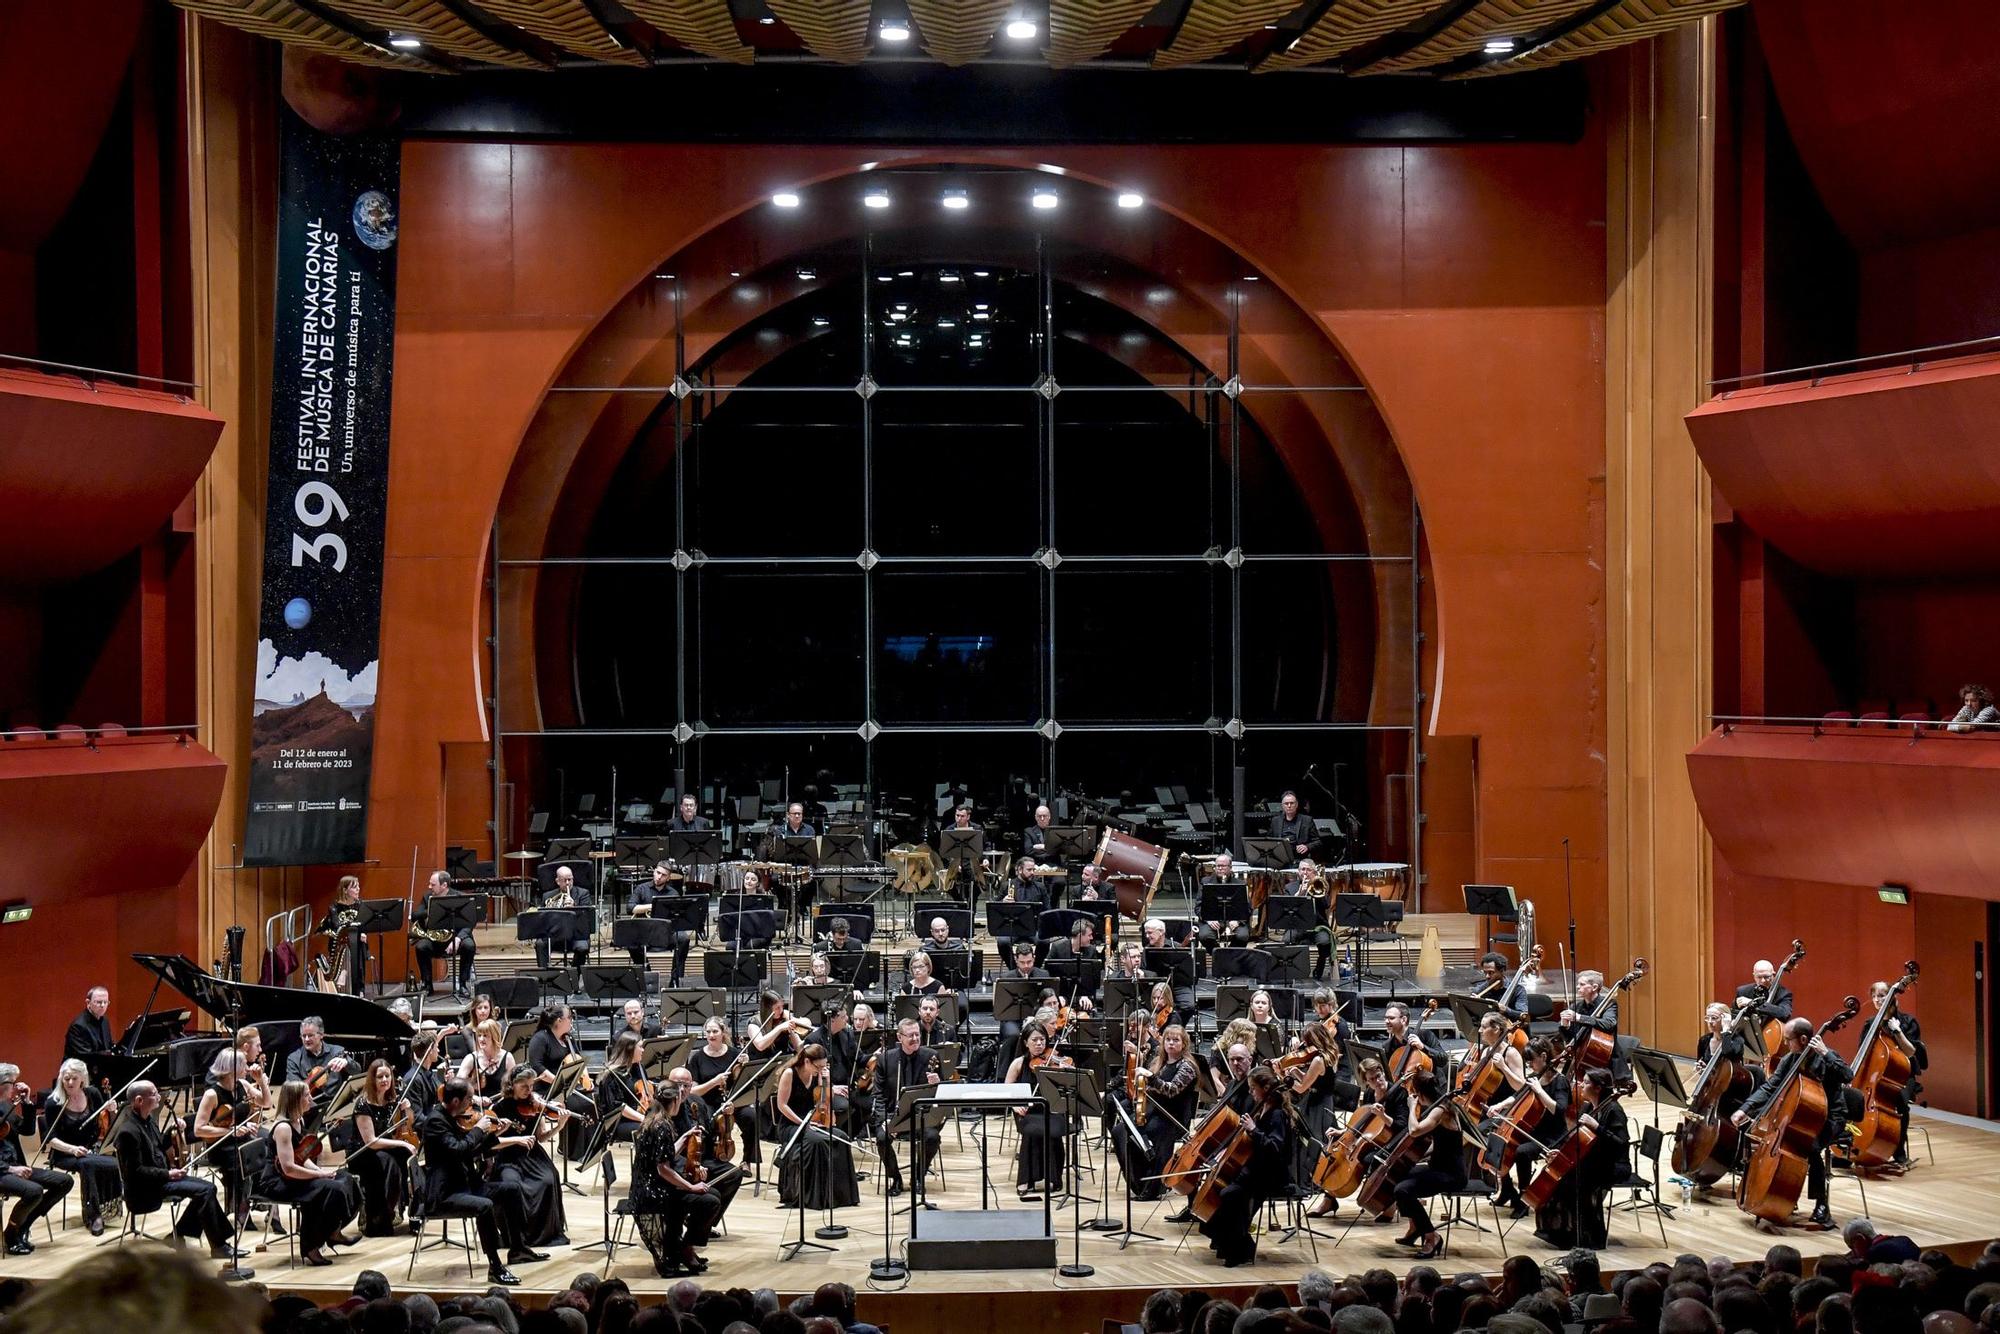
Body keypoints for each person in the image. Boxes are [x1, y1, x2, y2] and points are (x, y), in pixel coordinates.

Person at [1733, 1016, 1854, 1230]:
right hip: (1798, 1116)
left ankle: (1821, 1205)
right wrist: (1745, 1109)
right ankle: (1784, 1194)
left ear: (1804, 1039)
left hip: (1829, 1118)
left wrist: (1825, 1053)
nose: (1786, 1043)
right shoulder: (1790, 1059)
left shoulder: (1826, 1057)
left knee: (1811, 1148)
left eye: (1789, 1039)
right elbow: (1770, 1087)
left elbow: (1847, 1075)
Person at [110, 1080, 243, 1264]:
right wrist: (168, 1175)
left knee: (207, 1189)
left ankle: (179, 1235)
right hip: (145, 1189)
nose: (159, 1097)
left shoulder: (148, 1120)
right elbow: (135, 1173)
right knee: (205, 1191)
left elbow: (158, 1147)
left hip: (161, 1178)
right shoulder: (128, 1132)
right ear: (139, 1100)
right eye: (154, 1094)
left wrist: (173, 1130)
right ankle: (217, 1246)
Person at [419, 1077, 532, 1284]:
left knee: (512, 1189)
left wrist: (494, 1134)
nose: (472, 1103)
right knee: (485, 1206)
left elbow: (470, 1152)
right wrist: (479, 1129)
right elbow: (458, 1149)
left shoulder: (453, 1117)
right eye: (469, 1098)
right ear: (455, 1101)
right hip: (445, 1194)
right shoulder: (436, 1121)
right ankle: (495, 1268)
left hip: (465, 1186)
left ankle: (518, 1249)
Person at [1196, 1065, 1293, 1268]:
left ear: (1266, 1088)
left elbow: (1274, 1148)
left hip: (1272, 1174)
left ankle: (1242, 1248)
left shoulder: (1277, 1114)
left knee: (1230, 1194)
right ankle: (1231, 1244)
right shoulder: (1262, 1107)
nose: (1250, 1092)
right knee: (1227, 1191)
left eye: (1252, 1088)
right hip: (1256, 1169)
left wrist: (1254, 1129)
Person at [257, 1079, 360, 1265]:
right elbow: (288, 1168)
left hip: (293, 1175)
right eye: (306, 1095)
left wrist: (321, 1171)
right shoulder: (283, 1128)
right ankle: (311, 1246)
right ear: (295, 1099)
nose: (310, 1098)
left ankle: (333, 1231)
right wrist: (320, 1175)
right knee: (330, 1189)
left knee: (346, 1179)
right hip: (277, 1182)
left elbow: (301, 1157)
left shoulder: (298, 1120)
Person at [630, 1075, 723, 1278]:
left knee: (713, 1193)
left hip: (650, 1185)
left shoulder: (654, 1118)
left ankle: (683, 1246)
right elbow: (662, 1169)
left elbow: (666, 1153)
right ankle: (684, 1247)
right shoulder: (661, 1126)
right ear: (674, 1101)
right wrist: (690, 1187)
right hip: (654, 1191)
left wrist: (684, 1137)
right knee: (709, 1201)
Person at [1529, 1066, 1629, 1249]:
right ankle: (1562, 1232)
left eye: (1586, 1082)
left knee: (1570, 1182)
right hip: (1592, 1162)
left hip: (1613, 1165)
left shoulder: (1614, 1110)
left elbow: (1620, 1144)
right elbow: (1578, 1141)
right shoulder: (1588, 1106)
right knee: (1562, 1180)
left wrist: (1597, 1127)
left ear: (1598, 1087)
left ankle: (1586, 1236)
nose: (1581, 1085)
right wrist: (1561, 1154)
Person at [1309, 1056, 1405, 1217]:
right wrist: (1343, 1133)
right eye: (1372, 1080)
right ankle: (1329, 1199)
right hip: (1368, 1139)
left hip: (1391, 1141)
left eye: (1378, 1076)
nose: (1377, 1081)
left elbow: (1402, 1126)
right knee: (1338, 1155)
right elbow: (1361, 1122)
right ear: (1366, 1082)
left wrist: (1383, 1116)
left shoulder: (1398, 1093)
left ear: (1382, 1072)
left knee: (1369, 1159)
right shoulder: (1369, 1094)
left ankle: (1388, 1202)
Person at [1486, 1037, 1568, 1218]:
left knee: (1522, 1152)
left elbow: (1559, 1110)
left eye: (1531, 1060)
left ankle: (1523, 1199)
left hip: (1553, 1135)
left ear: (1544, 1056)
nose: (1529, 1064)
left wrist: (1540, 1091)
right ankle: (1507, 1190)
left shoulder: (1559, 1081)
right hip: (1534, 1130)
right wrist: (1500, 1105)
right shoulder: (1534, 1077)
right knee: (1499, 1141)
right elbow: (1518, 1095)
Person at [770, 1044, 859, 1212]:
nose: (821, 1069)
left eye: (824, 1066)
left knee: (842, 1138)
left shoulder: (817, 1075)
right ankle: (815, 1196)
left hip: (813, 1122)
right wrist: (803, 1122)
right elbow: (782, 1106)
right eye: (818, 1067)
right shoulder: (789, 1074)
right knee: (818, 1141)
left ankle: (839, 1195)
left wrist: (825, 1081)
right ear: (806, 1061)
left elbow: (824, 1101)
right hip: (791, 1125)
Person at [490, 1065, 571, 1247]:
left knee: (549, 1179)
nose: (529, 1091)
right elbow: (492, 1142)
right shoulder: (500, 1107)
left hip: (533, 1154)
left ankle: (544, 1232)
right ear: (512, 1085)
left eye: (531, 1086)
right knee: (513, 1185)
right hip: (509, 1157)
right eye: (524, 1086)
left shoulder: (535, 1105)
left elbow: (540, 1137)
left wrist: (559, 1126)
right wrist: (514, 1138)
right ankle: (519, 1235)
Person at [38, 1058, 122, 1235]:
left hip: (91, 1150)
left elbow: (108, 1125)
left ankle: (110, 1201)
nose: (69, 1082)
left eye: (74, 1079)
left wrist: (113, 1110)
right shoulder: (54, 1102)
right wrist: (72, 1149)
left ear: (82, 1079)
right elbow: (49, 1139)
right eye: (66, 1078)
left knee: (113, 1160)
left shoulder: (92, 1094)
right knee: (87, 1164)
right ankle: (94, 1216)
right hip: (64, 1153)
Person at [1389, 1068, 1463, 1260]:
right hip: (1438, 1166)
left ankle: (1431, 1236)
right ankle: (1415, 1227)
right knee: (1399, 1175)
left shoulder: (1442, 1109)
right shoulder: (1439, 1105)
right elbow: (1441, 1144)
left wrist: (1412, 1107)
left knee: (1403, 1190)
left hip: (1451, 1174)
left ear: (1419, 1092)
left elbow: (1415, 1130)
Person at [0, 1064, 71, 1255]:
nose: (15, 1087)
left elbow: (27, 1130)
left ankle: (23, 1225)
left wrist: (27, 1104)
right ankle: (11, 1234)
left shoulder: (6, 1106)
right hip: (2, 1171)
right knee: (34, 1191)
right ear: (2, 1085)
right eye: (12, 1083)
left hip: (15, 1166)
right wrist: (10, 1169)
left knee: (64, 1181)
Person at [871, 1019, 942, 1198]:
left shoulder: (931, 1056)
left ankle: (918, 1176)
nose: (915, 1038)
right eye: (910, 1036)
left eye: (917, 1034)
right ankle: (895, 1178)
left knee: (932, 1137)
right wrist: (884, 1120)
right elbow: (878, 1095)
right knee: (881, 1138)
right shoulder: (886, 1059)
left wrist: (938, 1083)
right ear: (899, 1037)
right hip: (893, 1116)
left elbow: (941, 1093)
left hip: (921, 1116)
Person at [349, 1058, 420, 1236]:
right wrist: (402, 1143)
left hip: (384, 1148)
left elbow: (408, 1121)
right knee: (390, 1161)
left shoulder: (392, 1100)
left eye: (387, 1076)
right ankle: (381, 1215)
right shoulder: (363, 1104)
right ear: (372, 1079)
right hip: (362, 1153)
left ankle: (413, 1211)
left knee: (407, 1159)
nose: (384, 1080)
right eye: (380, 1076)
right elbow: (371, 1142)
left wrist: (407, 1108)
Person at [191, 1049, 259, 1233]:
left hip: (240, 1140)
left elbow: (266, 1103)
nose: (247, 1067)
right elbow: (198, 1129)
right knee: (244, 1158)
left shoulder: (242, 1085)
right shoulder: (212, 1095)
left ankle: (253, 1202)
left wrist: (261, 1081)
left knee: (263, 1150)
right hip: (220, 1146)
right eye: (243, 1064)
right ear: (232, 1068)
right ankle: (240, 1207)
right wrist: (229, 1131)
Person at [1861, 978, 1927, 1168]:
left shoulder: (1908, 1022)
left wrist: (1897, 1031)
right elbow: (1863, 1055)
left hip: (1902, 1077)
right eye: (1874, 996)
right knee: (1854, 1098)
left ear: (1892, 997)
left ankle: (1899, 1152)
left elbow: (1911, 1052)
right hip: (1875, 1077)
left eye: (1881, 996)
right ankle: (1857, 1147)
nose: (1877, 1000)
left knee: (1898, 1101)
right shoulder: (1870, 1024)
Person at [688, 1017, 758, 1169]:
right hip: (709, 1103)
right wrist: (714, 1081)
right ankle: (711, 1160)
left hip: (733, 1101)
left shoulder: (735, 1055)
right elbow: (693, 1091)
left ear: (723, 1033)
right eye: (708, 1032)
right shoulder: (697, 1058)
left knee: (751, 1117)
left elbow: (743, 1084)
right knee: (707, 1121)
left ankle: (747, 1160)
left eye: (715, 1031)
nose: (711, 1035)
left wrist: (745, 1064)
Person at [630, 861, 697, 987]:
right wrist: (653, 906)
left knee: (683, 938)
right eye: (658, 873)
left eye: (663, 875)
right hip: (646, 932)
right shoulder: (641, 889)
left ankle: (675, 978)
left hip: (666, 933)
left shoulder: (673, 893)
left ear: (668, 878)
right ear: (654, 871)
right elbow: (630, 907)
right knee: (631, 941)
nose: (659, 877)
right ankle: (646, 975)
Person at [412, 870, 478, 996]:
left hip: (456, 939)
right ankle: (427, 985)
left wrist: (458, 939)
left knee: (469, 946)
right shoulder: (428, 897)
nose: (429, 887)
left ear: (444, 885)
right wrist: (432, 909)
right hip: (435, 941)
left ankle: (463, 984)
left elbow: (470, 923)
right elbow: (415, 915)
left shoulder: (460, 897)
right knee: (421, 947)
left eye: (433, 884)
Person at [1558, 970, 1622, 1072]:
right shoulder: (1576, 1006)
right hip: (1580, 1056)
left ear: (1595, 987)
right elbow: (1571, 1037)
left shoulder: (1609, 1004)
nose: (1578, 987)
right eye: (1578, 984)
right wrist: (1565, 1025)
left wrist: (1580, 1018)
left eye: (1582, 984)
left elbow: (1608, 1024)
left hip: (1603, 1058)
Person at [317, 875, 370, 994]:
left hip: (358, 944)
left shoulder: (361, 905)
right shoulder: (334, 907)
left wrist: (363, 933)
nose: (358, 889)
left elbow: (364, 924)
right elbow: (337, 926)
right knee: (347, 944)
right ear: (345, 890)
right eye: (354, 887)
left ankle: (358, 988)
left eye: (358, 886)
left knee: (358, 944)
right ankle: (344, 973)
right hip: (340, 944)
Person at [535, 865, 593, 970]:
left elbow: (587, 917)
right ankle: (545, 975)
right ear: (558, 881)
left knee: (582, 948)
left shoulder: (583, 894)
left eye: (570, 880)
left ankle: (575, 975)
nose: (567, 883)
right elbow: (542, 919)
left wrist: (574, 907)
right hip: (555, 936)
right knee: (540, 944)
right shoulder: (547, 896)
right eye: (564, 880)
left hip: (576, 935)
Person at [1198, 852, 1249, 950]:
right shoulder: (1205, 882)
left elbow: (1247, 907)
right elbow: (1198, 906)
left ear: (1230, 867)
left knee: (1242, 936)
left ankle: (1229, 955)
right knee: (1205, 936)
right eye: (1217, 866)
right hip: (1212, 919)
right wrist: (1208, 920)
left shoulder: (1240, 884)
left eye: (1223, 866)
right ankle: (1218, 955)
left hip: (1234, 919)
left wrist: (1238, 921)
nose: (1220, 868)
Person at [284, 1016, 353, 1088]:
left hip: (335, 1098)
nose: (306, 1039)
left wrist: (347, 1063)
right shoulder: (294, 1058)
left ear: (321, 1035)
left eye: (310, 1035)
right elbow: (293, 1089)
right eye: (304, 1036)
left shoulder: (337, 1051)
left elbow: (357, 1072)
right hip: (309, 1098)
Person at [457, 1018, 515, 1100]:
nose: (481, 1039)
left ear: (494, 1036)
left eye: (485, 1036)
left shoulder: (507, 1057)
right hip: (477, 1106)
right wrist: (475, 1098)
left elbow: (514, 1085)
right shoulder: (471, 1058)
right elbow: (459, 1086)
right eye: (479, 1035)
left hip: (501, 1105)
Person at [1736, 959, 1795, 1029]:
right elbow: (1734, 1016)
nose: (1763, 981)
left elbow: (1785, 1014)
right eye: (1759, 977)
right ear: (1754, 976)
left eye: (1766, 977)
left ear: (1773, 975)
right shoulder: (1743, 991)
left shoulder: (1784, 994)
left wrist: (1753, 1003)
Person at [64, 986, 116, 1063]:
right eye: (99, 1002)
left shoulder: (105, 1021)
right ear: (88, 1003)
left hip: (98, 1067)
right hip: (78, 1072)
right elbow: (86, 1057)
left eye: (105, 1002)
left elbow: (108, 1046)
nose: (102, 1005)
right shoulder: (78, 1026)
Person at [1271, 791, 1314, 861]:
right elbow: (1270, 840)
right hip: (1280, 859)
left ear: (1296, 804)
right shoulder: (1275, 821)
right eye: (1286, 803)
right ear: (1282, 806)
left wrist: (1307, 847)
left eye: (1292, 803)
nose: (1289, 806)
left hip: (1299, 859)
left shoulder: (1307, 820)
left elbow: (1317, 841)